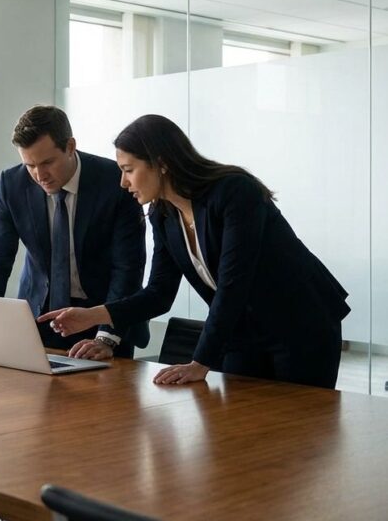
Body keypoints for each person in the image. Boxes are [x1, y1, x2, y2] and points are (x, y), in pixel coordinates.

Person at [40, 114, 350, 388]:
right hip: (244, 330)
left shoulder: (234, 192)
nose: (122, 182)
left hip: (301, 323)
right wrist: (94, 315)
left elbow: (233, 285)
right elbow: (160, 293)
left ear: (161, 163)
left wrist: (200, 363)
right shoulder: (162, 215)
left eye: (129, 169)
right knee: (239, 429)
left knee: (302, 433)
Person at [0, 105, 148, 360]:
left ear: (70, 146)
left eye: (47, 162)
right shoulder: (12, 184)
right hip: (39, 317)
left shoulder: (115, 182)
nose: (39, 175)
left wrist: (106, 336)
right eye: (29, 165)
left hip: (102, 319)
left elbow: (128, 267)